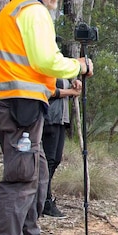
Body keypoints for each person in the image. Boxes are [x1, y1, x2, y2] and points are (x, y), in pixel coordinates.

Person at [0, 0, 93, 235]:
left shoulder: (18, 10)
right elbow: (45, 60)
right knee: (20, 176)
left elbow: (33, 66)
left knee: (38, 169)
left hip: (21, 100)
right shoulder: (33, 12)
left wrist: (59, 84)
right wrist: (79, 66)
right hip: (17, 103)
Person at [42, 71, 82, 218]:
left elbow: (66, 91)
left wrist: (74, 86)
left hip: (61, 120)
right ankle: (44, 201)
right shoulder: (47, 70)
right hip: (50, 118)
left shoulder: (62, 73)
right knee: (49, 161)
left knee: (56, 160)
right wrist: (70, 91)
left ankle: (43, 197)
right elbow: (48, 91)